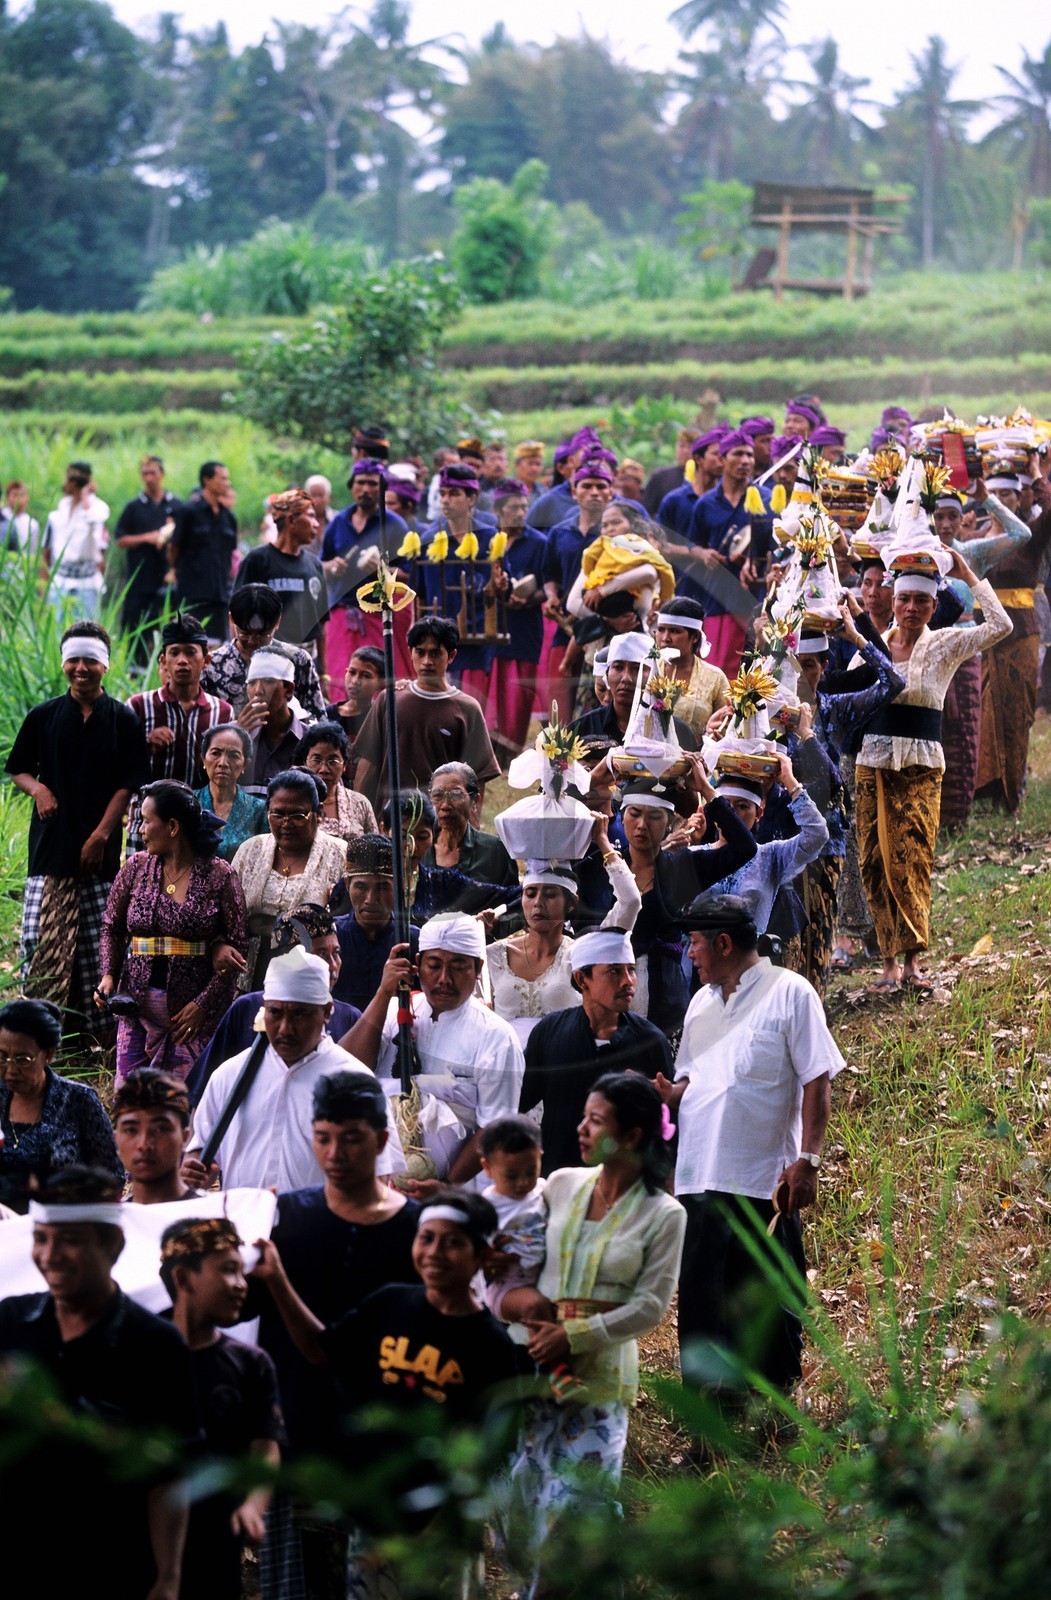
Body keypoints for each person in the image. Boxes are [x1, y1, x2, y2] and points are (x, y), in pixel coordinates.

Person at [252, 1188, 525, 1598]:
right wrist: (276, 1279)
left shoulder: (492, 1346)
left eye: (453, 1242)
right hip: (373, 1523)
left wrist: (434, 1533)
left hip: (436, 1536)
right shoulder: (392, 1304)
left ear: (483, 1256)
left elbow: (487, 1455)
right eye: (426, 1237)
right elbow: (322, 1349)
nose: (434, 1251)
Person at [502, 1074, 685, 1598]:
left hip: (600, 1382)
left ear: (630, 1136)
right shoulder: (561, 1184)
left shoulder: (664, 1214)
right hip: (535, 1367)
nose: (580, 1129)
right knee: (526, 1495)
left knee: (582, 1510)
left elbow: (650, 1307)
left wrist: (574, 1336)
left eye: (594, 1121)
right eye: (583, 1117)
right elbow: (515, 1238)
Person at [661, 894, 843, 1400]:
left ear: (723, 943)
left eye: (695, 943)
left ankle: (774, 1409)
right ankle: (710, 1416)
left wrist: (808, 1160)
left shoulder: (791, 992)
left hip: (761, 1178)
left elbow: (817, 1080)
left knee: (762, 1298)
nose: (690, 954)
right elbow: (695, 1080)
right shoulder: (700, 1002)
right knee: (701, 1298)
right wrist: (669, 1095)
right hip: (699, 1177)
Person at [255, 1072, 421, 1600]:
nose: (335, 1152)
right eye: (323, 1137)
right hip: (296, 1423)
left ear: (381, 1139)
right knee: (297, 1579)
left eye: (351, 1138)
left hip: (380, 1437)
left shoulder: (419, 1232)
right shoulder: (283, 1217)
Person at [0, 1165, 199, 1597]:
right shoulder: (9, 1324)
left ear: (112, 1244)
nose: (50, 1256)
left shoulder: (154, 1344)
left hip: (115, 1568)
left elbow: (170, 1473)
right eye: (41, 1238)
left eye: (70, 1241)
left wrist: (168, 1577)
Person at [855, 553, 1011, 991]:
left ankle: (913, 963)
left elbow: (1001, 627)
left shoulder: (944, 643)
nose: (910, 609)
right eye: (903, 599)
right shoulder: (872, 645)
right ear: (893, 598)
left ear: (932, 605)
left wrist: (969, 576)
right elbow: (844, 694)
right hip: (874, 764)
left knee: (914, 856)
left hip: (922, 765)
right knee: (876, 861)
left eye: (920, 602)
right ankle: (886, 963)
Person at [7, 620, 148, 1019]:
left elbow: (129, 783)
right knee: (42, 936)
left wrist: (102, 835)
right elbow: (17, 768)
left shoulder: (123, 719)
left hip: (100, 848)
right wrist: (39, 790)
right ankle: (40, 1020)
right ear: (64, 663)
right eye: (73, 660)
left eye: (90, 660)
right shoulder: (43, 716)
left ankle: (94, 1026)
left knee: (96, 937)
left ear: (106, 665)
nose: (80, 668)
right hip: (51, 845)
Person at [185, 945, 402, 1191]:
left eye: (300, 1014)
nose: (285, 1028)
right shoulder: (229, 1075)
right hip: (244, 1224)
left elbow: (381, 1178)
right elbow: (199, 1150)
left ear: (327, 1012)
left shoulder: (356, 1080)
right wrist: (194, 1170)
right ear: (264, 1007)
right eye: (275, 1013)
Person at [342, 913, 525, 1184]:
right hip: (376, 1184)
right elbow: (346, 1071)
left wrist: (446, 1188)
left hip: (455, 1192)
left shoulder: (497, 1038)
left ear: (477, 969)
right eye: (434, 965)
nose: (444, 979)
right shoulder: (395, 1012)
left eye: (458, 967)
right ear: (417, 966)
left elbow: (493, 1128)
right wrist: (384, 992)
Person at [161, 1216, 284, 1600]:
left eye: (242, 1272)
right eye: (229, 1271)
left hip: (217, 1542)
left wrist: (252, 1505)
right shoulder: (140, 1356)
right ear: (183, 1279)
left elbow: (266, 1446)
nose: (241, 1285)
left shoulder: (251, 1364)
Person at [98, 779, 247, 1082]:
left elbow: (238, 945)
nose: (139, 829)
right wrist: (109, 975)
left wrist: (202, 1005)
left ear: (173, 827)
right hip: (135, 1008)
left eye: (146, 821)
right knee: (130, 1096)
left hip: (189, 1019)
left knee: (180, 1103)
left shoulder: (219, 874)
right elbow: (112, 927)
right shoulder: (135, 868)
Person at [520, 929, 672, 1174]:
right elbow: (518, 1099)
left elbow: (668, 1124)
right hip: (559, 1180)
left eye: (631, 969)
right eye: (614, 971)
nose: (628, 981)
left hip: (627, 1186)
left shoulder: (650, 1040)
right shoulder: (550, 1033)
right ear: (582, 979)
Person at [487, 819, 642, 1048]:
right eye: (530, 894)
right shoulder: (494, 954)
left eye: (550, 894)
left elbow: (630, 901)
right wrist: (471, 932)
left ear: (571, 903)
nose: (538, 903)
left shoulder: (583, 953)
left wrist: (602, 840)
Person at [189, 903, 361, 1103]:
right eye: (321, 954)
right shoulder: (246, 1009)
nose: (332, 966)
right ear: (288, 958)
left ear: (327, 1012)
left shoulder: (349, 1017)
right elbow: (200, 1091)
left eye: (336, 953)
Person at [352, 614, 502, 806]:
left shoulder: (467, 709)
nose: (427, 661)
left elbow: (476, 777)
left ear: (452, 655)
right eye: (420, 652)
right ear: (410, 652)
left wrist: (470, 824)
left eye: (435, 653)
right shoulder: (389, 700)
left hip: (442, 819)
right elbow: (368, 763)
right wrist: (361, 814)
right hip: (392, 820)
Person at [974, 461, 1051, 813]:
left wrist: (1038, 473)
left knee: (1018, 712)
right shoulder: (975, 539)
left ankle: (1012, 795)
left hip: (1021, 633)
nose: (1000, 499)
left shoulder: (1030, 535)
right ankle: (984, 791)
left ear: (1020, 498)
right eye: (994, 493)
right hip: (983, 636)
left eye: (1007, 493)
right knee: (982, 711)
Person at [125, 611, 234, 851]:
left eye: (190, 652)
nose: (182, 660)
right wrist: (145, 745)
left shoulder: (222, 713)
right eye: (174, 653)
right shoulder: (139, 706)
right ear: (163, 660)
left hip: (198, 827)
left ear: (206, 660)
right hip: (145, 828)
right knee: (144, 888)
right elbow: (116, 765)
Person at [0, 998, 122, 1212]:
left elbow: (112, 1177)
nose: (10, 1070)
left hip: (62, 1225)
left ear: (48, 1055)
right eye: (2, 1057)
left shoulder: (78, 1100)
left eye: (22, 1059)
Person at [231, 770, 349, 990]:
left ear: (318, 814)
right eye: (277, 814)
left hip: (312, 968)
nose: (286, 823)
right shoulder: (250, 850)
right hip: (252, 968)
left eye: (297, 815)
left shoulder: (340, 854)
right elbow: (229, 913)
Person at [685, 430, 768, 677]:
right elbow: (693, 545)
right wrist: (704, 554)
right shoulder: (706, 504)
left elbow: (776, 547)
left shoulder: (765, 499)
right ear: (722, 459)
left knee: (754, 673)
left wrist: (754, 559)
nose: (745, 461)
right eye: (738, 454)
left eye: (750, 455)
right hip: (717, 599)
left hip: (755, 598)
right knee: (717, 673)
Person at [323, 458, 411, 689]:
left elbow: (411, 574)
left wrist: (383, 570)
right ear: (352, 486)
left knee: (377, 683)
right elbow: (322, 565)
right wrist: (332, 566)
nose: (366, 489)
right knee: (341, 681)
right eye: (360, 483)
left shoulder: (396, 525)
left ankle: (379, 724)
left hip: (379, 613)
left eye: (373, 484)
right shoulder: (338, 522)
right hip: (342, 612)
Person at [541, 460, 617, 720]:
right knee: (558, 698)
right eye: (586, 486)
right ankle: (559, 756)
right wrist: (551, 596)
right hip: (567, 626)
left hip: (607, 627)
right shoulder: (559, 532)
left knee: (598, 701)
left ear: (611, 491)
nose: (594, 492)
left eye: (601, 486)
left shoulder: (620, 533)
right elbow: (549, 574)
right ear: (574, 492)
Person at [487, 478, 549, 762]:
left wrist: (527, 599)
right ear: (498, 508)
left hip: (524, 627)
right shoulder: (487, 539)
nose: (520, 512)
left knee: (518, 691)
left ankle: (511, 750)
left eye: (524, 506)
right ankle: (488, 746)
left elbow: (548, 587)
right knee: (492, 686)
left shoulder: (538, 543)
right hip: (490, 625)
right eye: (514, 507)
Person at [200, 584, 327, 720]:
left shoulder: (297, 660)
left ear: (277, 622)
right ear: (232, 620)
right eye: (245, 634)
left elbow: (317, 722)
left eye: (263, 635)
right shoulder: (212, 665)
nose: (253, 641)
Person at [234, 488, 330, 669]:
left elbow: (321, 624)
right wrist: (242, 661)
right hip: (265, 662)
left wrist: (323, 673)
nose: (316, 524)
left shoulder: (314, 565)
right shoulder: (257, 560)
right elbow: (238, 614)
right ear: (292, 520)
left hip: (306, 663)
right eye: (310, 516)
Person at [570, 630, 698, 748]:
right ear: (607, 675)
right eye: (618, 667)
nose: (626, 678)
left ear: (654, 676)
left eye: (638, 669)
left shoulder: (679, 733)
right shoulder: (581, 729)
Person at [113, 454, 180, 638]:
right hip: (140, 579)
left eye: (153, 472)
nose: (149, 478)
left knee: (171, 627)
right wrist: (147, 538)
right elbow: (120, 539)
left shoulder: (176, 505)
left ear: (162, 474)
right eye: (145, 473)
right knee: (136, 629)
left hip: (168, 578)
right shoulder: (133, 507)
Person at [171, 460, 238, 641]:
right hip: (194, 592)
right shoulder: (189, 512)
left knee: (218, 644)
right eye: (222, 478)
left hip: (220, 593)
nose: (227, 483)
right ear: (206, 480)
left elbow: (231, 552)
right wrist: (175, 570)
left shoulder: (228, 517)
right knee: (192, 641)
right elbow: (174, 546)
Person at [424, 760, 517, 888]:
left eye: (456, 795)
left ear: (475, 802)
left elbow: (513, 902)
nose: (445, 805)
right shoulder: (419, 849)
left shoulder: (495, 851)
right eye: (438, 796)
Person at [111, 1068, 198, 1204]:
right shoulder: (110, 1222)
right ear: (116, 1139)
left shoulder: (214, 1216)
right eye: (131, 1130)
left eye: (161, 1129)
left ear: (185, 1137)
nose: (144, 1145)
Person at [653, 596, 731, 737]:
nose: (665, 638)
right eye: (661, 630)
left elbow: (728, 723)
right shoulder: (646, 670)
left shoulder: (715, 677)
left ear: (694, 637)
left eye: (674, 631)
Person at [42, 460, 110, 620]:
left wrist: (86, 496)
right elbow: (48, 549)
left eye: (69, 479)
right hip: (60, 578)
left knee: (84, 630)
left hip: (85, 580)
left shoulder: (97, 507)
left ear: (74, 482)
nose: (65, 483)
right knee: (57, 629)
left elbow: (96, 520)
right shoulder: (62, 508)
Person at [195, 722, 269, 861]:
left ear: (245, 764)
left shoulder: (259, 810)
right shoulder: (188, 802)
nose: (223, 762)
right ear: (204, 759)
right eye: (216, 753)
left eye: (233, 755)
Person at [294, 720, 377, 840]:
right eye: (316, 760)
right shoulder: (293, 802)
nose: (324, 769)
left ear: (344, 765)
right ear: (305, 762)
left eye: (332, 761)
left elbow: (377, 849)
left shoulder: (360, 804)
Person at [242, 647, 313, 788]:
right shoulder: (232, 735)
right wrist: (237, 740)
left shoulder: (311, 741)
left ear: (289, 690)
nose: (258, 691)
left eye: (268, 681)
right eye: (252, 683)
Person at [324, 643, 386, 752]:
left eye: (365, 676)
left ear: (381, 683)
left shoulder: (380, 716)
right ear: (345, 672)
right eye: (352, 672)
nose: (355, 681)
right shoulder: (328, 715)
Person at [643, 426, 693, 514]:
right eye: (682, 446)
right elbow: (647, 512)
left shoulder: (708, 479)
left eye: (690, 447)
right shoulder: (660, 477)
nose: (686, 451)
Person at [1, 478, 40, 554]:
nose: (18, 499)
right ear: (7, 497)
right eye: (15, 495)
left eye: (22, 495)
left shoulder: (32, 524)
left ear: (27, 498)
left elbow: (33, 550)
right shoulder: (2, 517)